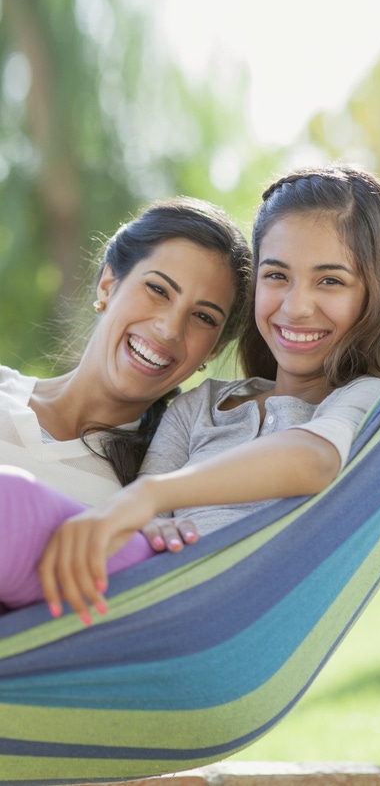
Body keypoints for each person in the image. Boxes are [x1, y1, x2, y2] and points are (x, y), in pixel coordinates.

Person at [0, 165, 380, 624]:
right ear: (107, 283)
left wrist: (142, 503)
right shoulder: (199, 406)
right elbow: (145, 501)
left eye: (331, 280)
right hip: (132, 577)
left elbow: (313, 458)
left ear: (375, 295)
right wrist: (147, 508)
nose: (297, 306)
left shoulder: (365, 398)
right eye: (277, 275)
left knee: (12, 501)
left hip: (181, 608)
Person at [0, 197, 252, 614]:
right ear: (108, 285)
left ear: (216, 348)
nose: (170, 329)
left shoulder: (152, 494)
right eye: (158, 290)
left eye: (203, 317)